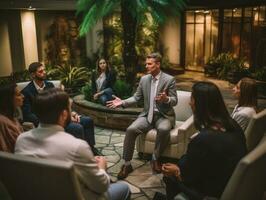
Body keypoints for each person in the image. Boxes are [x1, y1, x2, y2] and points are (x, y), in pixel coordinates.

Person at [15, 88, 130, 200]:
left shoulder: (21, 140)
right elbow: (101, 186)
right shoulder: (77, 146)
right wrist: (102, 168)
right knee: (124, 188)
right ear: (64, 114)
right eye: (70, 109)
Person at [161, 81, 247, 200]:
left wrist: (176, 171)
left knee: (169, 176)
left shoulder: (204, 139)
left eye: (192, 99)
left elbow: (188, 174)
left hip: (211, 192)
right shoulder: (233, 125)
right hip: (231, 182)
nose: (189, 103)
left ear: (199, 104)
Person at [107, 52, 178, 179]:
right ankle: (127, 164)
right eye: (146, 63)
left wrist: (166, 99)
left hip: (164, 116)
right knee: (130, 130)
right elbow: (136, 97)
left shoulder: (169, 80)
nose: (146, 66)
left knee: (163, 129)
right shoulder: (144, 79)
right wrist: (122, 102)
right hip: (147, 115)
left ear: (158, 64)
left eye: (149, 64)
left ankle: (155, 159)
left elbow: (175, 100)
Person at [21, 62, 101, 155]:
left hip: (61, 116)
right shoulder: (26, 92)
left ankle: (91, 148)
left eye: (44, 70)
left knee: (88, 121)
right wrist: (53, 121)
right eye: (40, 71)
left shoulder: (50, 85)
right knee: (77, 128)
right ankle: (80, 154)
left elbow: (60, 104)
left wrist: (71, 113)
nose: (44, 72)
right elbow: (28, 115)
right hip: (48, 123)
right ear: (33, 75)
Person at [0, 82, 24, 152]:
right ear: (8, 99)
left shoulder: (13, 117)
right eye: (19, 95)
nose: (23, 96)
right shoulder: (2, 121)